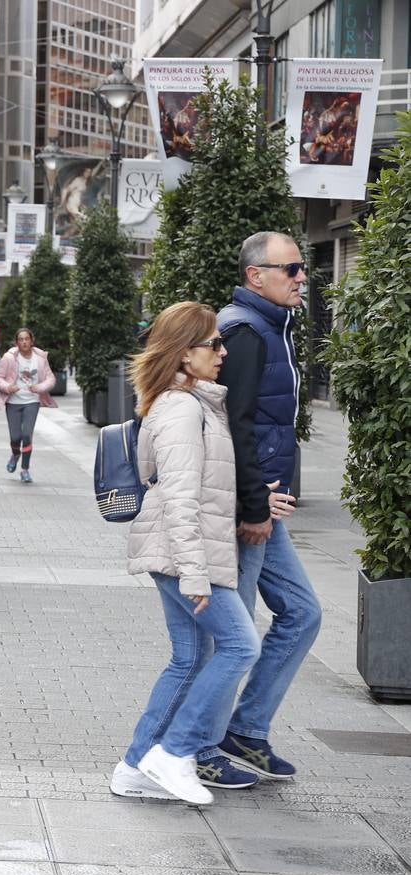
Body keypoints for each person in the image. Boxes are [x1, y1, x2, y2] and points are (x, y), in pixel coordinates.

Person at [112, 300, 261, 806]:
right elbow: (179, 496)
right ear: (183, 354)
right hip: (184, 555)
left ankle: (135, 766)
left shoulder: (192, 403)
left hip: (182, 553)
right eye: (212, 344)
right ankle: (173, 753)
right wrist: (196, 574)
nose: (222, 352)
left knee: (190, 657)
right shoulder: (181, 408)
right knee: (241, 646)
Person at [194, 231, 322, 787]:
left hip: (263, 505)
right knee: (234, 635)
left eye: (301, 267)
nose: (300, 276)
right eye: (290, 268)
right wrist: (252, 507)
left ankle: (245, 729)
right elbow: (234, 426)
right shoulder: (245, 334)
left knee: (302, 612)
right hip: (245, 510)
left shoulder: (271, 329)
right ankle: (199, 745)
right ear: (256, 276)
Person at [0, 327, 57, 484]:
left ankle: (25, 469)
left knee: (27, 435)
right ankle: (15, 454)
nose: (24, 342)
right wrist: (8, 387)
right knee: (15, 437)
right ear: (16, 342)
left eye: (26, 339)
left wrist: (39, 388)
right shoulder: (9, 358)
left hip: (32, 401)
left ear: (31, 341)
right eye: (20, 339)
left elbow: (51, 379)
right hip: (13, 402)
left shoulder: (40, 358)